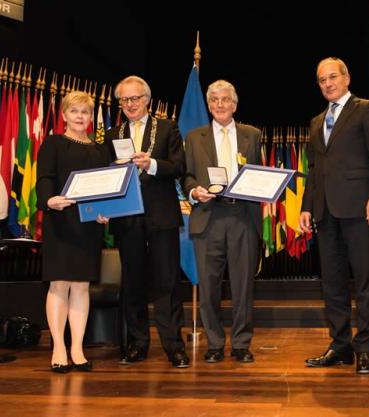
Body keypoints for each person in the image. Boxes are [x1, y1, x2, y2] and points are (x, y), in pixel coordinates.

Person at [299, 57, 369, 374]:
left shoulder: (367, 108)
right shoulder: (315, 122)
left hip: (358, 208)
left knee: (363, 280)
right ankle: (340, 346)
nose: (327, 83)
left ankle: (364, 349)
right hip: (325, 212)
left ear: (347, 78)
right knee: (333, 283)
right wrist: (307, 206)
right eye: (321, 79)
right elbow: (314, 169)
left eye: (332, 77)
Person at [103, 76, 189, 368]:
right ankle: (137, 344)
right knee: (133, 283)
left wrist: (149, 164)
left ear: (147, 100)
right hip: (127, 218)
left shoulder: (167, 128)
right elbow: (105, 178)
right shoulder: (112, 134)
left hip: (161, 216)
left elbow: (179, 167)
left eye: (135, 98)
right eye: (124, 100)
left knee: (167, 283)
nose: (130, 105)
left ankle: (174, 346)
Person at [183, 80, 262, 363]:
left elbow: (258, 172)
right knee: (209, 285)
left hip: (242, 216)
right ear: (208, 105)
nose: (219, 104)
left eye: (225, 99)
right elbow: (186, 175)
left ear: (235, 104)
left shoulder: (252, 135)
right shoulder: (194, 137)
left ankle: (241, 344)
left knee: (243, 286)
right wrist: (194, 191)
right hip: (208, 216)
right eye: (214, 100)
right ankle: (215, 343)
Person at [36, 90, 112, 373]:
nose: (80, 117)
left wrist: (107, 213)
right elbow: (44, 178)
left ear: (91, 117)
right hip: (60, 221)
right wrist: (48, 200)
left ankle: (77, 349)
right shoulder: (54, 143)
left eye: (85, 112)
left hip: (88, 225)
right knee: (59, 285)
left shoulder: (100, 149)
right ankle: (58, 347)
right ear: (65, 115)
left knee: (81, 286)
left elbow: (105, 188)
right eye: (75, 111)